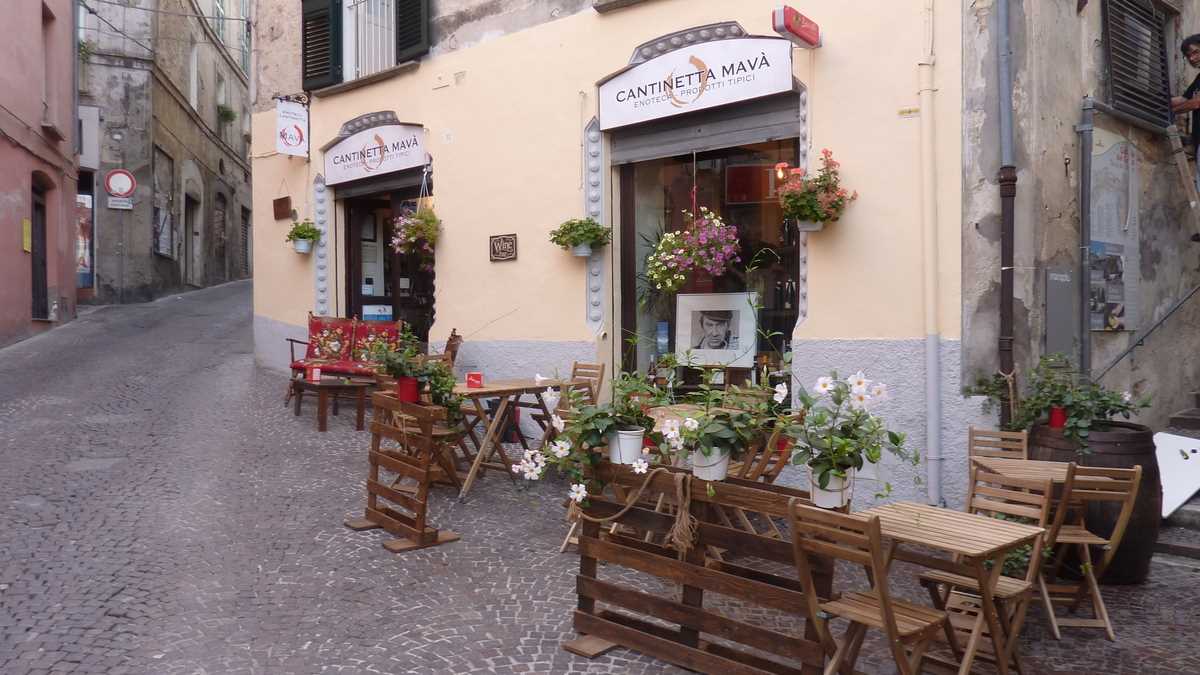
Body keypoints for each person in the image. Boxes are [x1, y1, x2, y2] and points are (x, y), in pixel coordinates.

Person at [1172, 34, 1200, 192]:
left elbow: (1196, 103)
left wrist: (1173, 112)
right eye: (1188, 55)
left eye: (1196, 52)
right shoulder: (1198, 79)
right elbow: (1183, 99)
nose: (1192, 58)